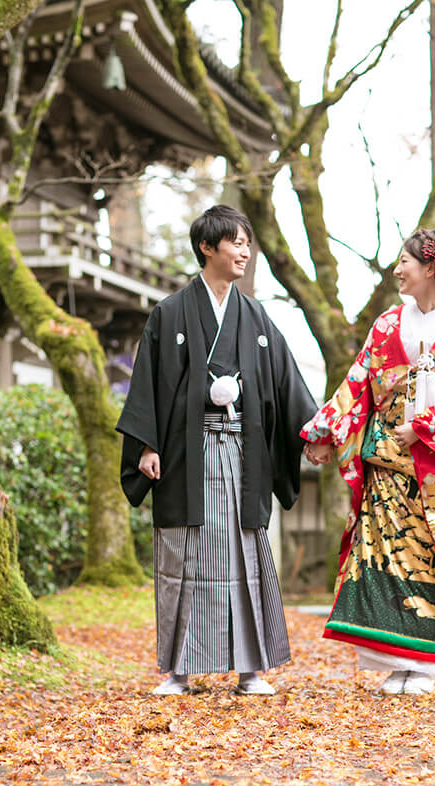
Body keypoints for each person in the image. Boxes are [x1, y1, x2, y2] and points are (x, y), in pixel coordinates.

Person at [117, 204, 317, 695]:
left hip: (243, 455)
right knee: (182, 557)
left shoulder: (255, 315)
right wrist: (146, 444)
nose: (245, 251)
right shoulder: (170, 313)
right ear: (208, 247)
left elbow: (286, 383)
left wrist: (313, 431)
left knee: (245, 554)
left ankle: (251, 670)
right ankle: (178, 672)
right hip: (188, 453)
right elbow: (146, 385)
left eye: (248, 243)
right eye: (236, 242)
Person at [301, 221, 435, 696]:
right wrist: (326, 433)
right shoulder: (387, 323)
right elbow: (358, 384)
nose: (397, 269)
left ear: (430, 268)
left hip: (432, 471)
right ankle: (392, 658)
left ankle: (422, 665)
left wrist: (423, 428)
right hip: (384, 462)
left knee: (425, 558)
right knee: (384, 558)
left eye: (405, 261)